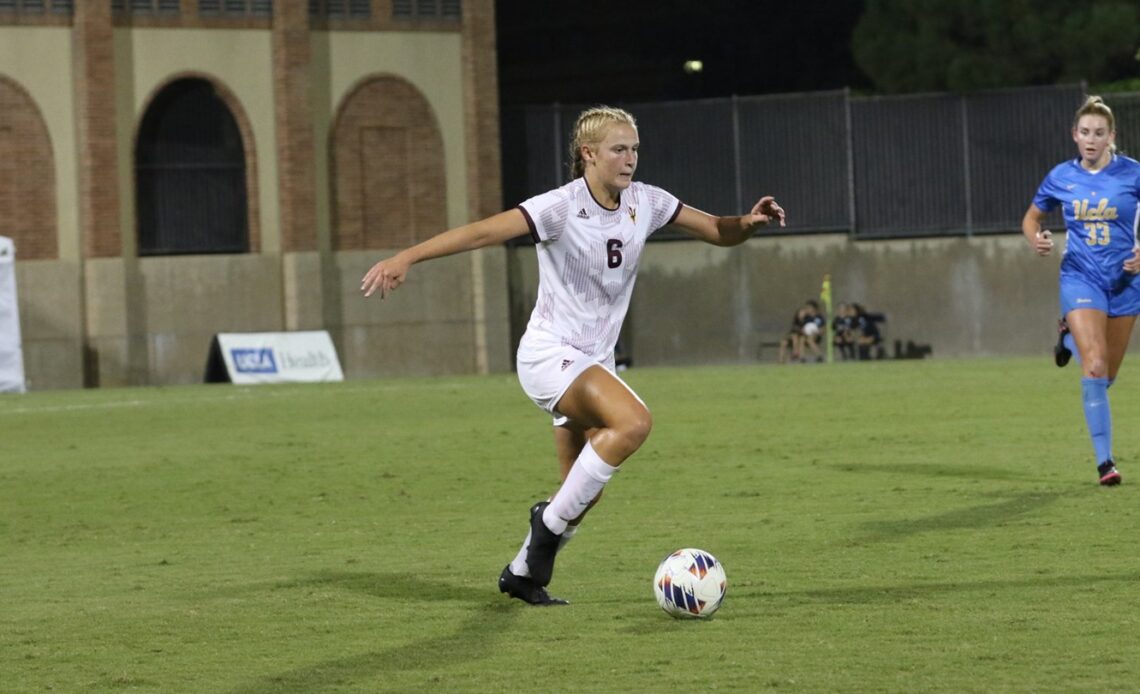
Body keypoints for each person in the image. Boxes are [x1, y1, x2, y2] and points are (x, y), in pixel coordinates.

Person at [360, 106, 786, 604]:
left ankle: (521, 573)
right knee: (633, 423)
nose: (630, 159)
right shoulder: (560, 207)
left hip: (593, 363)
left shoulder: (645, 202)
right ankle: (544, 529)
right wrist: (405, 256)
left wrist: (749, 222)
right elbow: (481, 232)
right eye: (618, 149)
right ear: (589, 153)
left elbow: (716, 230)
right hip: (549, 356)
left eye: (634, 149)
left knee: (581, 494)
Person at [1022, 95, 1140, 487]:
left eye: (1099, 133)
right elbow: (1032, 217)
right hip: (1081, 277)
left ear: (1112, 137)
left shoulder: (1133, 173)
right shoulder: (1061, 176)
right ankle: (1105, 463)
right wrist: (1035, 239)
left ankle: (1068, 339)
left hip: (1125, 281)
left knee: (1105, 378)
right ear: (1075, 135)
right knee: (1095, 367)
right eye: (1085, 132)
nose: (1091, 139)